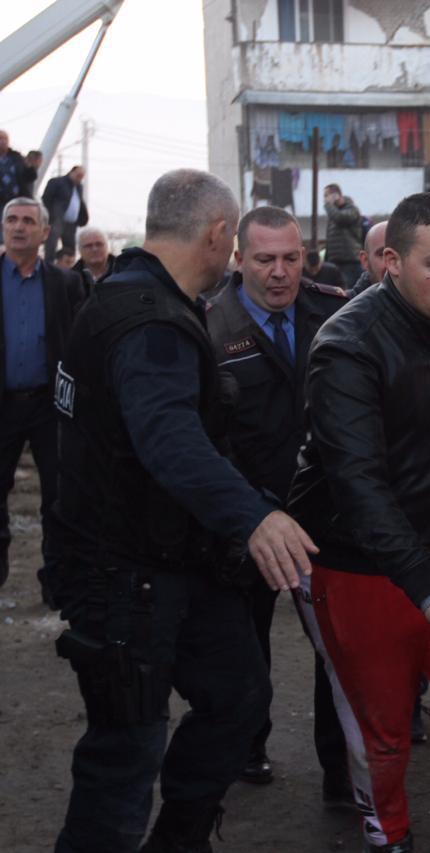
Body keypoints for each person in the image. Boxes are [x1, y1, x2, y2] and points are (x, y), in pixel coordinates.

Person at [50, 169, 319, 853]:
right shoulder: (149, 322)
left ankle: (179, 838)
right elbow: (168, 440)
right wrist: (256, 516)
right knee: (124, 753)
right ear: (219, 235)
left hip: (175, 560)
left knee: (237, 694)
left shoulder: (139, 299)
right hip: (122, 576)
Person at [287, 192, 430, 853]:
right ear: (391, 261)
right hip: (361, 563)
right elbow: (358, 484)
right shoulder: (346, 347)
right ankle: (390, 835)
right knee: (382, 731)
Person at [204, 205, 352, 799]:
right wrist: (249, 510)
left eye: (292, 258)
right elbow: (208, 436)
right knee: (246, 641)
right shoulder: (210, 325)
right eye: (264, 260)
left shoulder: (334, 310)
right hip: (252, 515)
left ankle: (341, 773)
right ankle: (250, 744)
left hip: (325, 509)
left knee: (337, 649)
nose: (280, 272)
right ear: (239, 260)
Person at [0, 198, 85, 599]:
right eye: (11, 220)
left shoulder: (65, 283)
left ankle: (57, 579)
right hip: (3, 405)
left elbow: (80, 345)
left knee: (57, 497)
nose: (19, 227)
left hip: (50, 406)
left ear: (45, 233)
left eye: (28, 221)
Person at [41, 165, 89, 261]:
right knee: (51, 246)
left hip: (71, 223)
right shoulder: (57, 182)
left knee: (70, 249)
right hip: (56, 221)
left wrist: (83, 217)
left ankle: (68, 269)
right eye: (78, 175)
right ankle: (49, 267)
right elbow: (46, 199)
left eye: (82, 177)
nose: (79, 178)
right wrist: (50, 217)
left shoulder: (79, 187)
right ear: (72, 172)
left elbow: (79, 202)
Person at [322, 182, 363, 287]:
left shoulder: (352, 209)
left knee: (348, 293)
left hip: (349, 262)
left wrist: (328, 205)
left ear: (336, 195)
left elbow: (340, 218)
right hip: (335, 261)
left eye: (327, 195)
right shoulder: (334, 213)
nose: (325, 199)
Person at [0, 132, 39, 224]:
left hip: (16, 200)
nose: (2, 142)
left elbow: (30, 177)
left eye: (5, 139)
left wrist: (31, 167)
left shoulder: (17, 158)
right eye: (0, 139)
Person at [349, 219, 387, 295]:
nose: (393, 264)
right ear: (365, 260)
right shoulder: (346, 305)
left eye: (401, 253)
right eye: (382, 254)